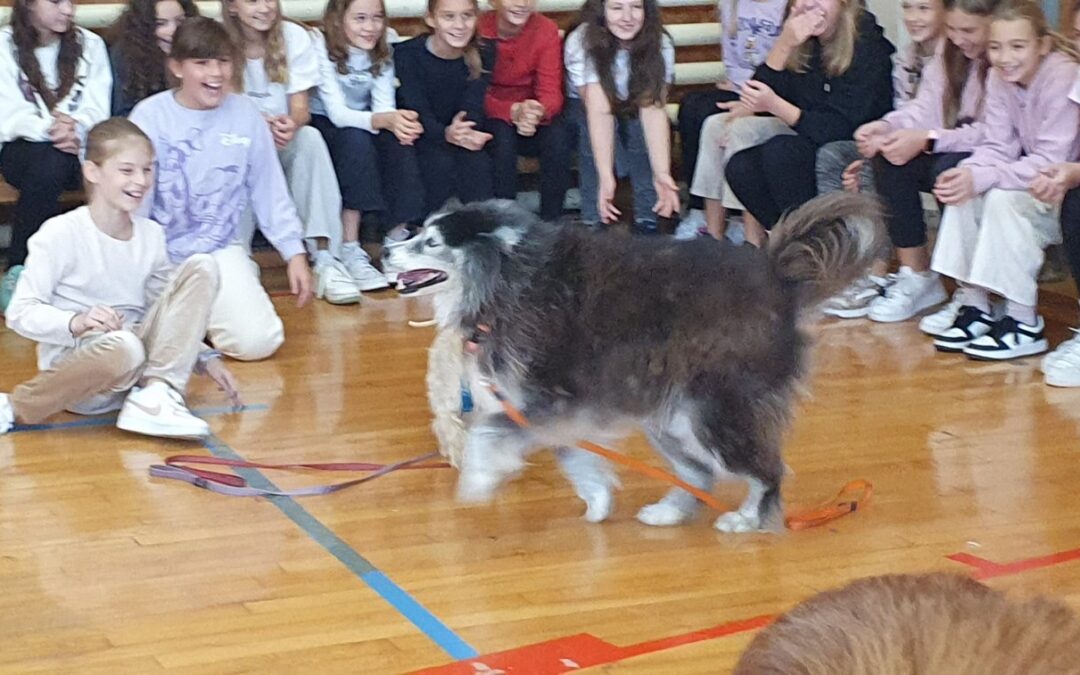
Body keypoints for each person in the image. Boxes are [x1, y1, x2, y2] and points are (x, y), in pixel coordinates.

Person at [1, 118, 239, 439]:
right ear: (92, 172)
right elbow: (20, 313)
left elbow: (168, 314)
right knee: (125, 346)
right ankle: (14, 407)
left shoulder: (151, 235)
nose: (140, 180)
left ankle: (158, 394)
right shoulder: (60, 233)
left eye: (147, 169)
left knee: (202, 266)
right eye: (127, 171)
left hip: (137, 365)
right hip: (90, 369)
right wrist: (77, 321)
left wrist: (205, 357)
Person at [130, 16, 314, 362]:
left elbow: (269, 191)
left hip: (219, 249)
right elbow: (135, 207)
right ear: (177, 67)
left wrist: (295, 253)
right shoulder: (148, 117)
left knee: (259, 342)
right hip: (159, 254)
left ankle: (226, 294)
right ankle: (196, 317)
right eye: (202, 63)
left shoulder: (246, 115)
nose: (215, 74)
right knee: (143, 347)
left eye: (224, 62)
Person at [927, 0, 1080, 361]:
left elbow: (1051, 160)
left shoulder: (1062, 76)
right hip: (1031, 176)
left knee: (999, 198)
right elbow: (997, 145)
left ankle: (1023, 321)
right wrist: (970, 173)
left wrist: (985, 177)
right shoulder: (999, 76)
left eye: (1017, 46)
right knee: (964, 189)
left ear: (1042, 45)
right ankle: (975, 303)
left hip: (1058, 183)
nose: (1005, 57)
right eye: (996, 47)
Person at [827, 0, 996, 322]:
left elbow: (994, 134)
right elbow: (924, 108)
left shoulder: (1000, 60)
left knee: (952, 170)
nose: (959, 39)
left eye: (968, 31)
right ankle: (916, 275)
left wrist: (928, 139)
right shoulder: (950, 52)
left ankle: (974, 292)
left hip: (997, 158)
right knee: (890, 160)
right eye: (955, 30)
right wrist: (888, 127)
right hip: (956, 145)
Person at [223, 0, 364, 304]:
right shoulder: (219, 40)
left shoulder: (295, 36)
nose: (264, 8)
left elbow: (300, 109)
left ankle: (326, 258)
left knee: (310, 139)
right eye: (252, 1)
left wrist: (289, 124)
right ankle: (239, 259)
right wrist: (255, 125)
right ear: (232, 7)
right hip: (240, 141)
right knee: (234, 151)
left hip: (283, 137)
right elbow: (223, 108)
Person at [722, 0, 895, 243]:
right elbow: (755, 96)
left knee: (782, 151)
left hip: (856, 144)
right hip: (813, 139)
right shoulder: (804, 41)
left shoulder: (866, 42)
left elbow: (842, 127)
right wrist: (784, 43)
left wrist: (776, 105)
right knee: (740, 166)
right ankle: (794, 243)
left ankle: (812, 244)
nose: (809, 4)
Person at [0, 0, 111, 310]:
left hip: (79, 146)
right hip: (22, 147)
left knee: (60, 162)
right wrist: (54, 129)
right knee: (49, 161)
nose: (68, 10)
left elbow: (97, 108)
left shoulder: (90, 45)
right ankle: (24, 269)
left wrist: (76, 128)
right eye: (56, 2)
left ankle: (23, 267)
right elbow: (8, 114)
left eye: (71, 2)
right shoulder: (4, 45)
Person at [310, 0, 426, 288]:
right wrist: (386, 120)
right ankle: (349, 247)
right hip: (326, 122)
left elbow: (384, 104)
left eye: (377, 18)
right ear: (338, 20)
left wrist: (398, 123)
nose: (370, 27)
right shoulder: (320, 45)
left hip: (368, 119)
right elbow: (338, 114)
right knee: (356, 141)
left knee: (402, 138)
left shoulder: (384, 43)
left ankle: (395, 241)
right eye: (360, 18)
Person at [564, 0, 680, 233]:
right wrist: (607, 177)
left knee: (640, 132)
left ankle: (650, 220)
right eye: (617, 8)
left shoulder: (661, 43)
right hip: (586, 104)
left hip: (633, 103)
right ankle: (593, 220)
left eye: (635, 7)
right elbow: (598, 111)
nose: (627, 17)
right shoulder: (581, 40)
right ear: (602, 11)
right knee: (590, 134)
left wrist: (662, 173)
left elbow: (652, 108)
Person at [676, 0, 785, 239]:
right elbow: (732, 61)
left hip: (775, 94)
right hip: (742, 86)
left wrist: (750, 103)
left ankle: (736, 218)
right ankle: (701, 213)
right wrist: (742, 91)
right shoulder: (731, 5)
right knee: (693, 106)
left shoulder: (790, 7)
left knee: (719, 120)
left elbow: (787, 73)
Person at [393, 0, 496, 217]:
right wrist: (445, 134)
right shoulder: (407, 54)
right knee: (437, 164)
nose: (459, 25)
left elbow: (473, 102)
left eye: (467, 16)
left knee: (478, 162)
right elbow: (414, 106)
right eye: (449, 17)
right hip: (422, 135)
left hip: (460, 135)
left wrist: (465, 129)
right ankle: (428, 232)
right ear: (431, 19)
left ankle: (484, 233)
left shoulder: (484, 51)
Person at [479, 0, 571, 221]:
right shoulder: (479, 29)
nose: (522, 3)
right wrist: (511, 111)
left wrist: (537, 111)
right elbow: (473, 91)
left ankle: (551, 222)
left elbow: (551, 91)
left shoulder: (545, 28)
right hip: (492, 112)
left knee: (558, 137)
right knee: (502, 141)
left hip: (531, 114)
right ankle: (505, 222)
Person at [109, 0, 200, 117]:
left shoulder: (201, 52)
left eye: (180, 21)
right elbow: (123, 115)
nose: (173, 30)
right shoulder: (124, 58)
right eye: (160, 24)